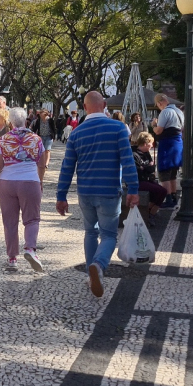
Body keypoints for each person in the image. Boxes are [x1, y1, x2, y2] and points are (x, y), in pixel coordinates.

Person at [56, 91, 139, 298]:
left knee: (90, 232)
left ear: (84, 107)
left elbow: (67, 167)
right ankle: (98, 266)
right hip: (109, 191)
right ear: (104, 105)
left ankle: (90, 274)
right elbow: (127, 160)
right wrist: (134, 189)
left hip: (85, 192)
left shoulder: (77, 133)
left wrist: (61, 195)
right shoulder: (118, 128)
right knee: (109, 235)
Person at [0, 107, 48, 271]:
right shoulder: (37, 139)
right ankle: (30, 249)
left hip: (7, 182)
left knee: (10, 221)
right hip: (30, 181)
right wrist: (39, 181)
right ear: (26, 120)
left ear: (11, 122)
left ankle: (12, 257)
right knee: (32, 219)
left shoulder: (4, 140)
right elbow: (41, 164)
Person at [151, 93, 184, 208]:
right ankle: (174, 196)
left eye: (158, 105)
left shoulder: (165, 112)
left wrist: (153, 125)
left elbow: (159, 131)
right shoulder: (179, 112)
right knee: (173, 173)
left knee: (164, 172)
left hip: (167, 144)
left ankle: (168, 198)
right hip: (178, 143)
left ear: (160, 103)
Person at [131, 132, 168, 226]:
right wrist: (147, 167)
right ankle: (150, 213)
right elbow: (140, 171)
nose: (152, 146)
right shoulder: (134, 155)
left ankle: (151, 212)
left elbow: (151, 167)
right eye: (150, 144)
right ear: (144, 144)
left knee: (163, 191)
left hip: (146, 179)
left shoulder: (146, 153)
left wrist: (146, 167)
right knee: (159, 190)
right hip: (138, 181)